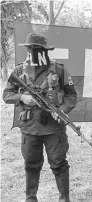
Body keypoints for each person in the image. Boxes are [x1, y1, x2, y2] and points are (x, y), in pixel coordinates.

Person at [3, 33, 77, 202]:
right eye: (31, 48)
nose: (33, 51)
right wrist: (22, 98)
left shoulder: (59, 69)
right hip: (29, 127)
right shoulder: (19, 70)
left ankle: (64, 198)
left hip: (54, 128)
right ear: (27, 49)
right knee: (31, 165)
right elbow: (7, 94)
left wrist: (62, 110)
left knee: (59, 163)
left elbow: (71, 96)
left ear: (45, 50)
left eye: (37, 49)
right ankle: (31, 198)